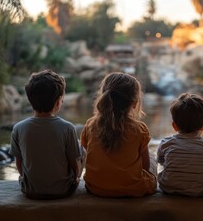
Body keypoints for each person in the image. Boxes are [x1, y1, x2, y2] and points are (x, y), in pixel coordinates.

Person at [10, 70, 85, 199]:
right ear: (58, 102)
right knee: (82, 149)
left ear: (29, 99)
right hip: (63, 190)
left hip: (30, 190)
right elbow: (75, 163)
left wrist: (25, 177)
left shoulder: (18, 128)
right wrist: (76, 177)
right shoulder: (67, 128)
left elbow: (19, 162)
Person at [80, 72, 157, 197]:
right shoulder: (139, 129)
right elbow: (146, 167)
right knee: (153, 158)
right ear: (134, 102)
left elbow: (87, 156)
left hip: (96, 187)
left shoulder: (90, 125)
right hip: (133, 189)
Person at [157, 93, 203, 197]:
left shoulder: (166, 143)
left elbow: (161, 162)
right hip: (202, 190)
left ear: (174, 126)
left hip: (169, 188)